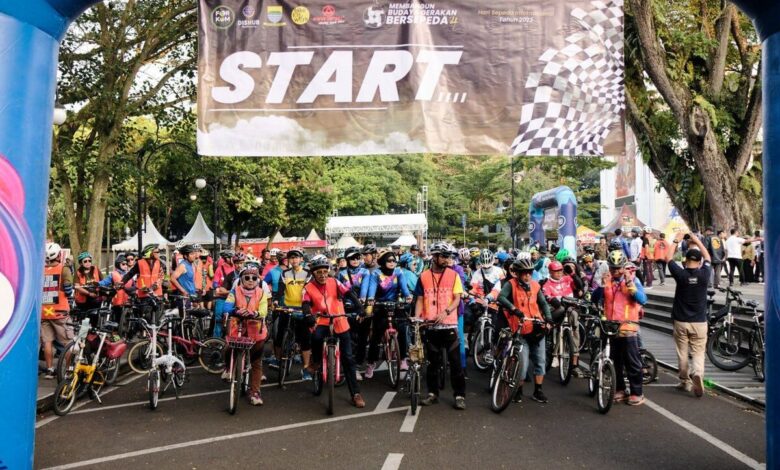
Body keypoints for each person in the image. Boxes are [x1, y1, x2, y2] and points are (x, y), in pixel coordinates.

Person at [304, 256, 366, 408]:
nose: (323, 275)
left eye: (326, 271)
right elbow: (305, 303)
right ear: (313, 273)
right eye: (319, 272)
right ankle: (317, 360)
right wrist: (308, 315)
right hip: (321, 321)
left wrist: (359, 307)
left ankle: (355, 394)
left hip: (339, 321)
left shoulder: (335, 281)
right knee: (316, 337)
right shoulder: (308, 287)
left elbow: (348, 293)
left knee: (348, 359)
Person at [414, 242, 467, 410]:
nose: (447, 260)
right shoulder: (423, 276)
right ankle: (433, 394)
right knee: (432, 363)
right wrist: (417, 320)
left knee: (456, 363)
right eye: (444, 256)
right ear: (435, 257)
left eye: (449, 256)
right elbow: (420, 299)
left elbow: (457, 298)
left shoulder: (454, 275)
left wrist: (445, 312)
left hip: (449, 324)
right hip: (430, 325)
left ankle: (459, 395)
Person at [497, 257, 553, 403]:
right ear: (517, 273)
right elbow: (501, 297)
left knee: (540, 361)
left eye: (529, 272)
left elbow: (543, 303)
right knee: (523, 365)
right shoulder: (511, 284)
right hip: (521, 329)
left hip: (537, 327)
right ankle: (518, 390)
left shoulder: (535, 286)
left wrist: (548, 318)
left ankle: (538, 391)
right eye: (524, 273)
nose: (528, 275)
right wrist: (514, 309)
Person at [597, 251, 647, 406]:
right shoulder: (608, 281)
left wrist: (631, 286)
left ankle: (636, 392)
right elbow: (595, 298)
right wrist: (602, 286)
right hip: (611, 328)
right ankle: (620, 389)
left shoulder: (633, 280)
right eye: (613, 268)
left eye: (618, 268)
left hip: (628, 328)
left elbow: (643, 299)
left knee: (632, 363)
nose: (616, 271)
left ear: (624, 267)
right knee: (615, 362)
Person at [665, 232, 711, 397]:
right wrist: (697, 241)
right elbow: (708, 256)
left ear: (685, 262)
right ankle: (697, 372)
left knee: (682, 352)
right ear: (699, 263)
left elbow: (668, 257)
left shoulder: (681, 274)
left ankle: (685, 381)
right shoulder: (704, 274)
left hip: (681, 321)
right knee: (698, 352)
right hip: (699, 321)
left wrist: (676, 239)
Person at [223, 264, 270, 405]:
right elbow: (226, 306)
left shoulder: (261, 292)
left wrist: (255, 313)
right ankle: (228, 367)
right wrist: (234, 311)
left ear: (258, 280)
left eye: (254, 277)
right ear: (241, 279)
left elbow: (264, 310)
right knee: (228, 348)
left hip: (257, 331)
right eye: (247, 277)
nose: (250, 280)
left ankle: (255, 392)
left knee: (256, 362)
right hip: (237, 329)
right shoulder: (234, 291)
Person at [363, 250, 412, 378]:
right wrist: (371, 299)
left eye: (394, 260)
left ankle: (403, 359)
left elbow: (404, 287)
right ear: (383, 262)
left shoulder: (399, 272)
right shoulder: (376, 274)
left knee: (402, 329)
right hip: (380, 305)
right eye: (389, 260)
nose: (392, 263)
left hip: (395, 304)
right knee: (376, 335)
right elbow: (372, 289)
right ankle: (371, 363)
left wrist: (408, 296)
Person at [272, 249, 313, 379]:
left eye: (296, 257)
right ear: (288, 260)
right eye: (291, 258)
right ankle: (278, 361)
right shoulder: (285, 273)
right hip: (287, 307)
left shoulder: (308, 273)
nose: (294, 260)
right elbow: (280, 289)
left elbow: (307, 290)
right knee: (279, 336)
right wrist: (276, 300)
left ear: (301, 259)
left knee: (305, 339)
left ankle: (306, 368)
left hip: (302, 309)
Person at [542, 260, 585, 377]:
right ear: (550, 271)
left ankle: (574, 356)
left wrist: (572, 274)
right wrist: (553, 300)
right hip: (557, 311)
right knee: (559, 311)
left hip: (570, 310)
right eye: (556, 271)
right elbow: (546, 296)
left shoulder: (568, 279)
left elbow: (580, 286)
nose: (559, 273)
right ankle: (552, 352)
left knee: (575, 318)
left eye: (560, 270)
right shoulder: (547, 284)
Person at [41, 243, 74, 378]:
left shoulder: (40, 269)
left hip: (44, 312)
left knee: (47, 342)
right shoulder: (63, 269)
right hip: (60, 312)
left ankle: (49, 369)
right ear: (59, 255)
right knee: (68, 342)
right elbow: (68, 289)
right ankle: (69, 370)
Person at [73, 251, 104, 316]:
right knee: (83, 315)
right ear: (81, 263)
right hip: (83, 299)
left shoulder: (96, 269)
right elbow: (77, 287)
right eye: (85, 261)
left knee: (95, 315)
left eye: (89, 260)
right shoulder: (78, 272)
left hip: (96, 297)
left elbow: (103, 281)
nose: (88, 263)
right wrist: (89, 294)